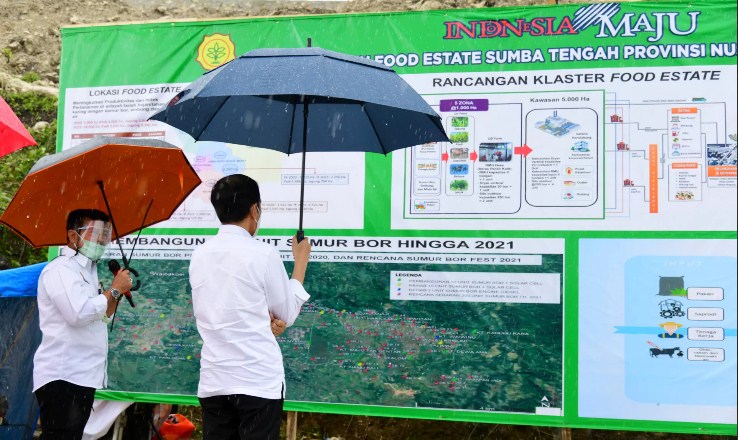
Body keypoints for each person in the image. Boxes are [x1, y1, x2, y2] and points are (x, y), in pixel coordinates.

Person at [189, 174, 311, 440]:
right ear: (255, 209)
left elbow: (224, 306)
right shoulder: (262, 253)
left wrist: (263, 317)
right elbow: (287, 313)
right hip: (257, 380)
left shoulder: (199, 255)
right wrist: (300, 262)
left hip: (215, 380)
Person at [33, 208, 133, 440]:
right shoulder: (61, 269)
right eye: (96, 231)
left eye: (105, 233)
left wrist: (116, 294)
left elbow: (101, 316)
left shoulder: (90, 272)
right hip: (63, 374)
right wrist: (114, 289)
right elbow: (77, 314)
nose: (101, 239)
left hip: (83, 375)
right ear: (72, 236)